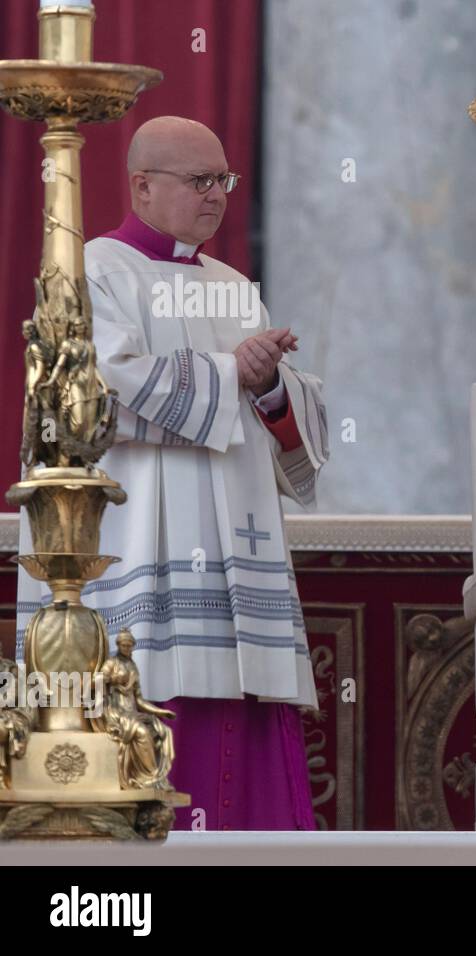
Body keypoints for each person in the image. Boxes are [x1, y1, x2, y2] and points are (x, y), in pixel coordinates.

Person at [17, 116, 330, 830]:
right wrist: (231, 374)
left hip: (237, 566)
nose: (217, 195)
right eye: (200, 181)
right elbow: (96, 396)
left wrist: (274, 386)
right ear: (142, 186)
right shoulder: (94, 270)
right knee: (158, 716)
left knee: (241, 722)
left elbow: (276, 415)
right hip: (144, 547)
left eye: (224, 180)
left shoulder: (231, 284)